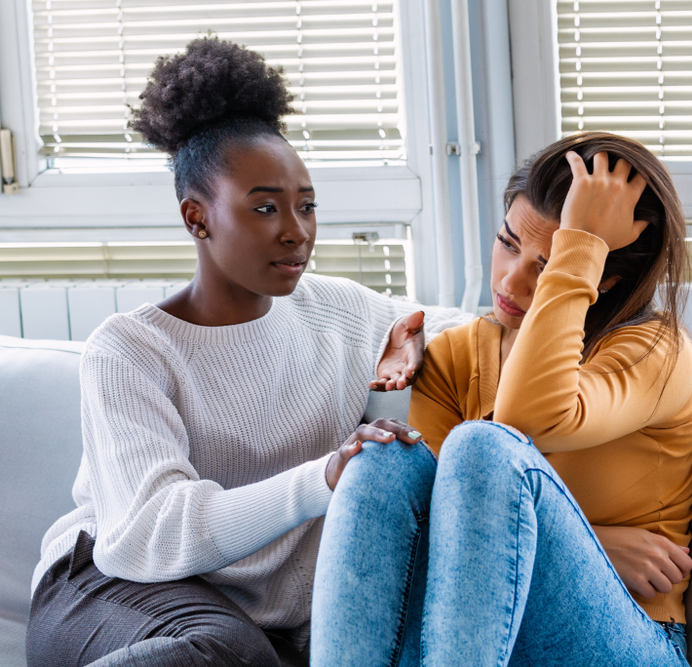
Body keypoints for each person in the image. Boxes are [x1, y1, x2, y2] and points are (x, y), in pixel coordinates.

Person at [25, 37, 467, 667]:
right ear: (196, 217)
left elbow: (465, 327)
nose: (297, 231)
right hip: (110, 587)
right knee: (227, 652)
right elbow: (149, 532)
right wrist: (323, 478)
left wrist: (412, 335)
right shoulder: (130, 350)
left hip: (256, 623)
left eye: (306, 206)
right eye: (265, 207)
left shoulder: (340, 311)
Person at [310, 132, 692, 666]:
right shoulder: (456, 357)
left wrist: (582, 240)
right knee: (382, 460)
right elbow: (427, 536)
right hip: (481, 636)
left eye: (547, 263)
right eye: (508, 242)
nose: (510, 281)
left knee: (482, 448)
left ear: (600, 277)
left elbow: (523, 421)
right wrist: (599, 544)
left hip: (629, 637)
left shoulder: (652, 352)